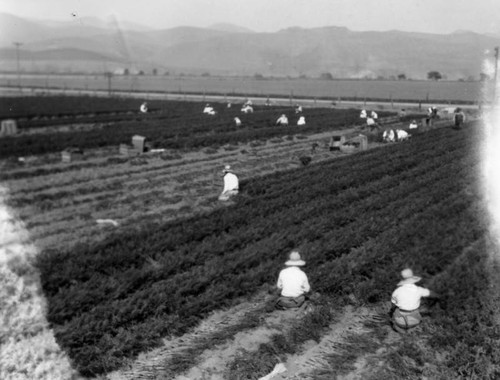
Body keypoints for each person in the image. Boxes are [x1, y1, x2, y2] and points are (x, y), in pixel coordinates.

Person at [390, 268, 438, 333]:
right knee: (416, 313)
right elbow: (433, 295)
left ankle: (400, 328)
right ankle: (412, 329)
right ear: (413, 279)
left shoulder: (397, 291)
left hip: (399, 321)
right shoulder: (419, 290)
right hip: (414, 320)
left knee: (395, 310)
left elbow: (393, 305)